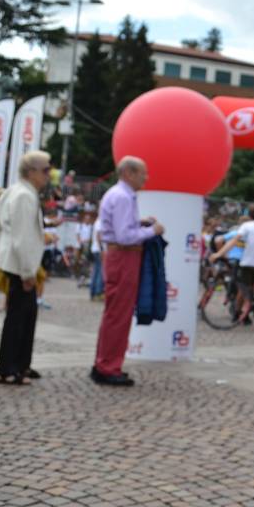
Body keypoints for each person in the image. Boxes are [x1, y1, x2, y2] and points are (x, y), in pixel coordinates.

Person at [92, 156, 164, 386]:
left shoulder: (118, 195)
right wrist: (153, 231)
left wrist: (139, 223)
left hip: (120, 256)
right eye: (143, 173)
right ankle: (109, 367)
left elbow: (120, 229)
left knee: (114, 313)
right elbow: (124, 236)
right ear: (129, 173)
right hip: (124, 256)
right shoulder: (123, 197)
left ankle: (104, 363)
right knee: (119, 314)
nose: (146, 177)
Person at [0, 151, 49, 385]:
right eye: (45, 169)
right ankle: (11, 367)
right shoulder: (24, 195)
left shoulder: (15, 191)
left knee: (24, 316)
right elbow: (22, 237)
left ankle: (19, 363)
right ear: (31, 171)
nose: (49, 174)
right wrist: (28, 272)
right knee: (19, 318)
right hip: (19, 264)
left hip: (12, 260)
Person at [212, 203, 254, 323]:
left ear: (249, 216)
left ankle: (237, 312)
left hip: (246, 262)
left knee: (242, 288)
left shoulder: (245, 227)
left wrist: (220, 254)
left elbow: (225, 240)